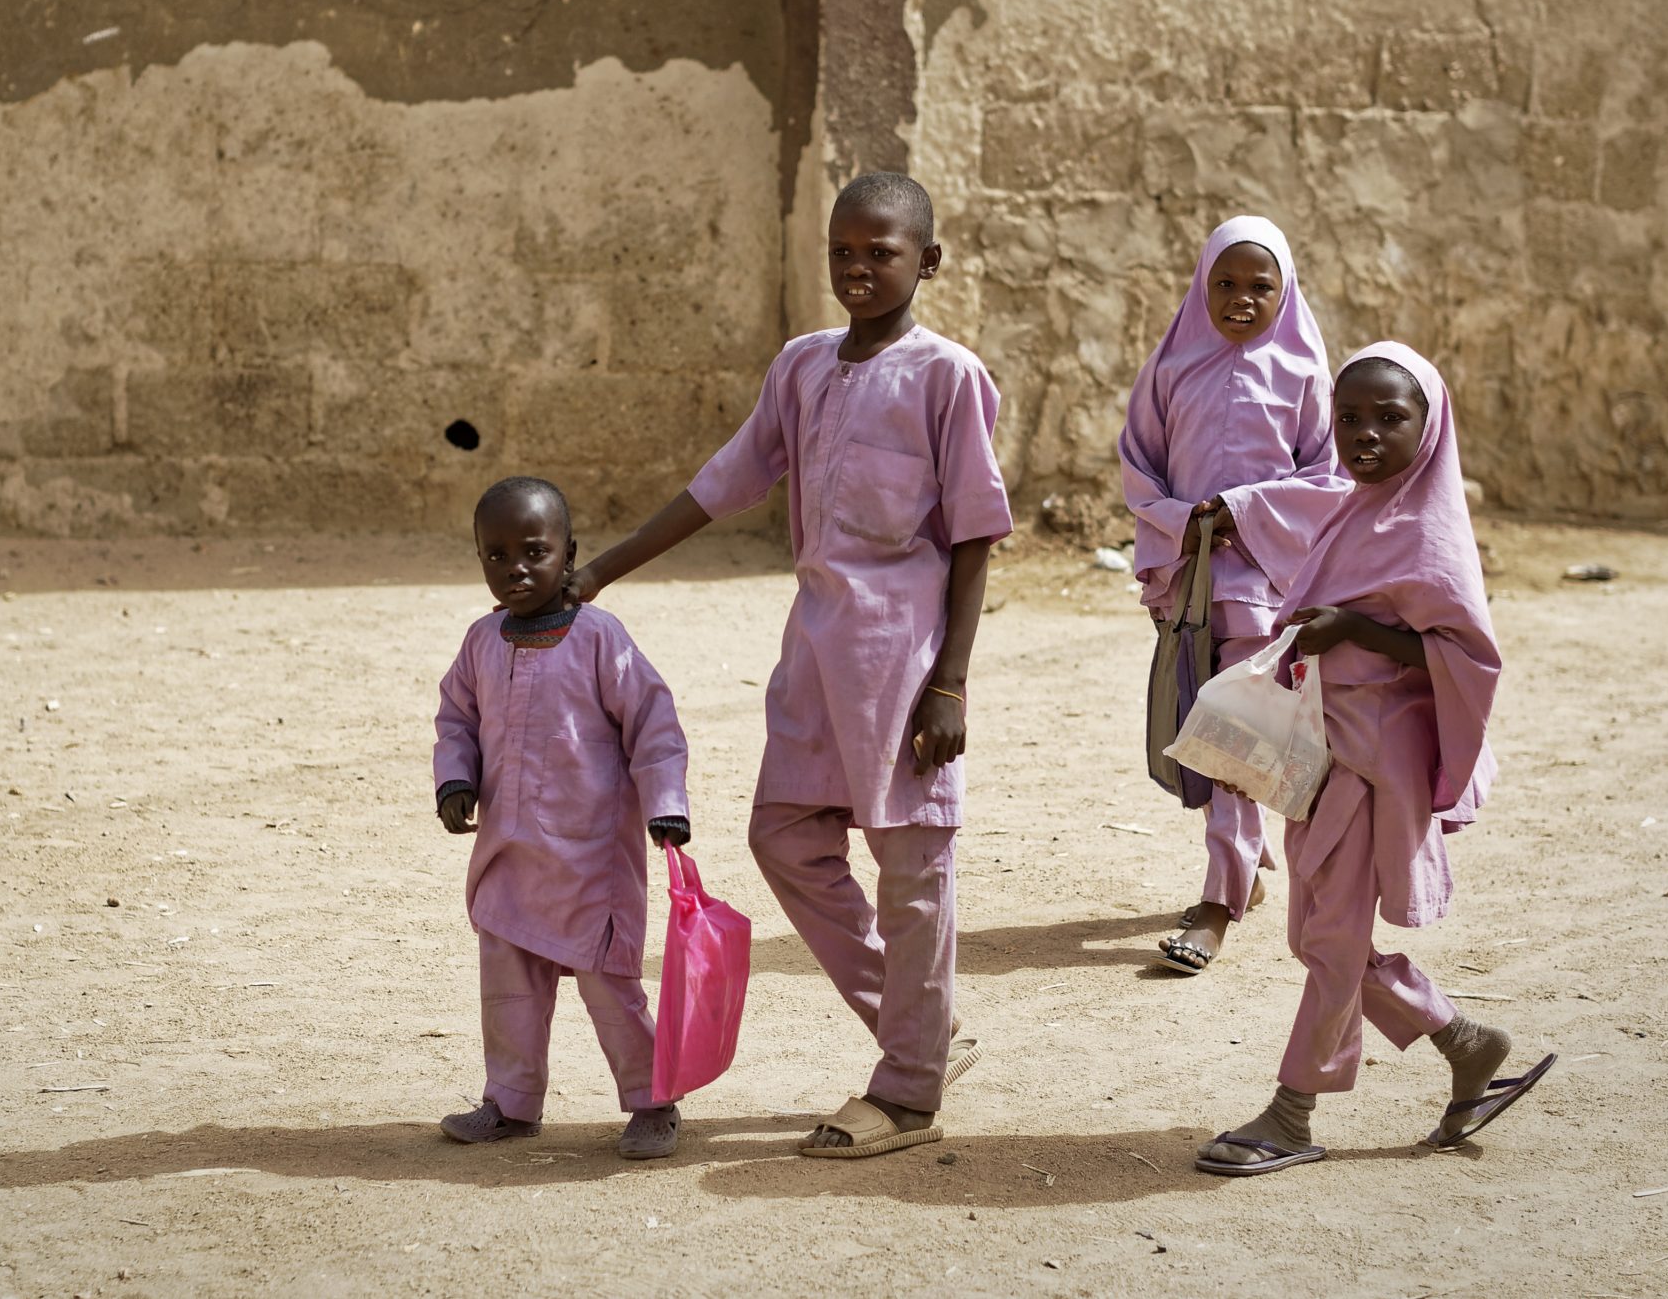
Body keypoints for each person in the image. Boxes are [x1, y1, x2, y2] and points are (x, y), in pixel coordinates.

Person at [573, 171, 1012, 1159]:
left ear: (927, 261)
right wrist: (599, 568)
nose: (859, 268)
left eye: (882, 252)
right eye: (843, 252)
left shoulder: (947, 376)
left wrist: (951, 680)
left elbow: (978, 532)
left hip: (903, 661)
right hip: (815, 654)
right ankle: (922, 1030)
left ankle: (906, 1091)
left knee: (910, 868)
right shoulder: (803, 367)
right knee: (783, 835)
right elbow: (723, 481)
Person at [1196, 345, 1553, 1176]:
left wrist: (1354, 629)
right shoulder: (1353, 507)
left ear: (1428, 428)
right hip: (1326, 753)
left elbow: (1466, 654)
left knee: (1330, 938)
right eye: (1348, 416)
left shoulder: (1427, 528)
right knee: (1318, 932)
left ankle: (1291, 1113)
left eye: (1389, 418)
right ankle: (1466, 1043)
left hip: (1371, 761)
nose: (1364, 434)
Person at [432, 476, 693, 1160]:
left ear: (570, 553)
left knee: (612, 989)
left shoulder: (601, 638)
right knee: (509, 988)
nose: (515, 567)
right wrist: (455, 778)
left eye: (534, 550)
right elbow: (456, 715)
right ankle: (512, 1102)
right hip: (508, 857)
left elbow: (655, 724)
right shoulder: (482, 641)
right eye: (496, 554)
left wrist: (666, 803)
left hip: (589, 864)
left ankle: (652, 1099)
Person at [1117, 216, 1344, 973]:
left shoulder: (1306, 373)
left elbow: (1328, 479)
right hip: (1193, 579)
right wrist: (1186, 521)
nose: (1242, 300)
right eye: (1227, 283)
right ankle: (1242, 863)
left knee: (1233, 730)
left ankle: (1218, 898)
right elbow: (1139, 465)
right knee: (1204, 725)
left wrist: (1242, 508)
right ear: (1201, 284)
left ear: (1286, 291)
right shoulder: (1172, 366)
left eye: (1260, 286)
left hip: (1263, 580)